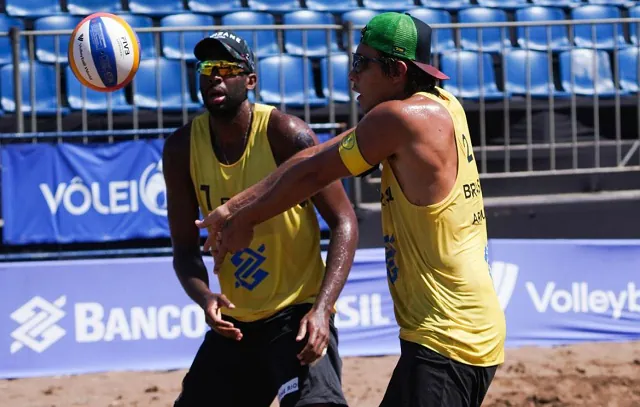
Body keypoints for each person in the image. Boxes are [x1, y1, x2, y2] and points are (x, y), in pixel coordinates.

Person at [196, 12, 507, 407]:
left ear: (396, 71)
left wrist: (245, 219)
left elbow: (312, 174)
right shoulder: (437, 104)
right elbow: (315, 156)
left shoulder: (399, 118)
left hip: (448, 336)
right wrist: (234, 208)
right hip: (456, 330)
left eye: (362, 63)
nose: (352, 77)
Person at [163, 30, 358, 407]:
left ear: (250, 79)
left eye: (226, 68)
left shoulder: (286, 134)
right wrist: (205, 298)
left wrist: (322, 310)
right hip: (236, 323)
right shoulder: (181, 148)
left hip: (296, 314)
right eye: (206, 68)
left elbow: (344, 222)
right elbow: (185, 250)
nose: (215, 76)